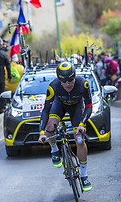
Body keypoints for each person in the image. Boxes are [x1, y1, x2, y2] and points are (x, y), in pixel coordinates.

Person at [38, 61, 92, 192]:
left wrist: (81, 124)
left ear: (75, 77)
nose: (68, 84)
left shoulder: (83, 84)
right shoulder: (53, 87)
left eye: (71, 80)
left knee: (79, 138)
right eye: (64, 81)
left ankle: (84, 175)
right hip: (59, 106)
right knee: (50, 127)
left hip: (76, 108)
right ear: (59, 79)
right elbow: (45, 110)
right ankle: (54, 149)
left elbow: (89, 106)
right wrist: (41, 132)